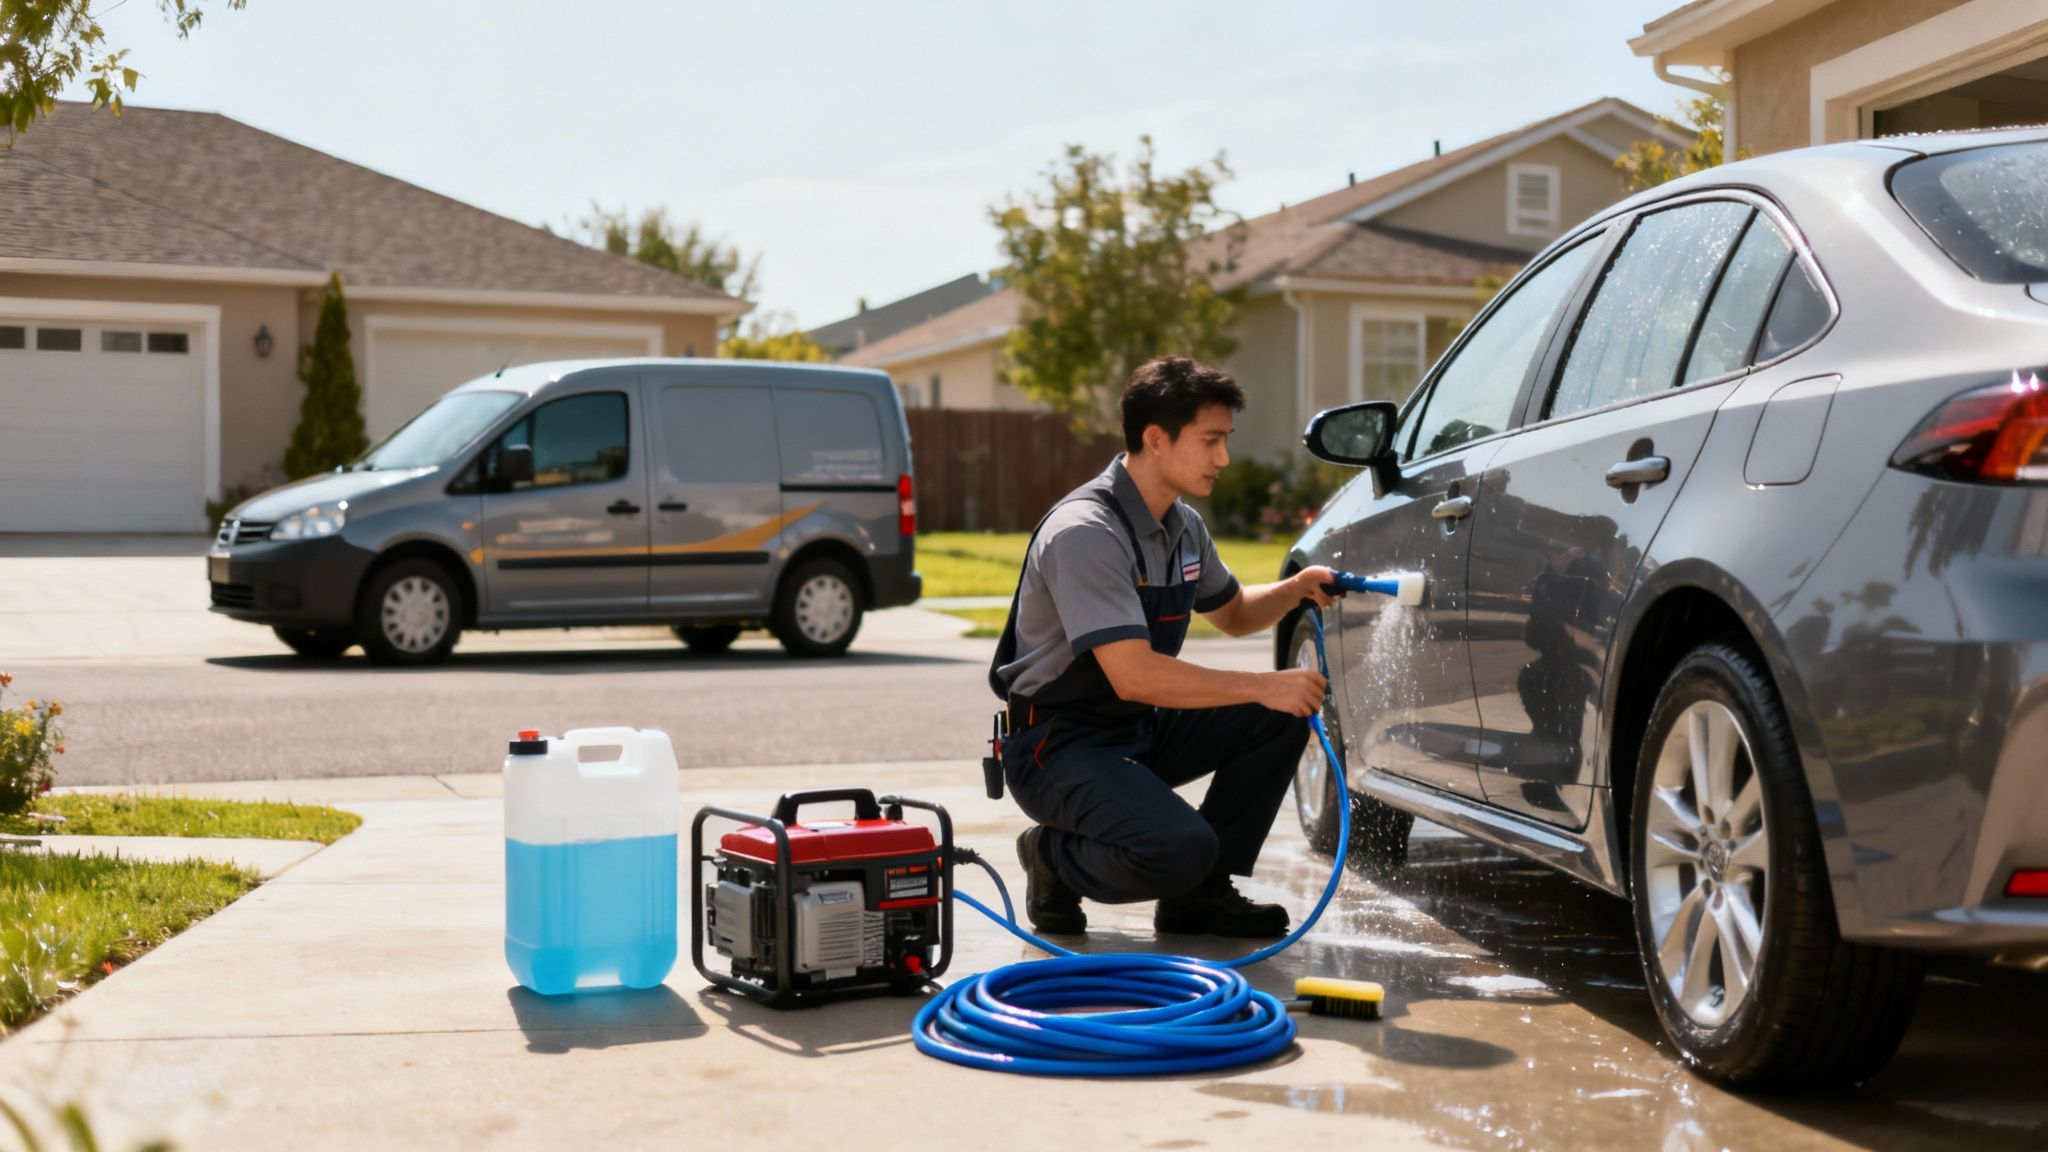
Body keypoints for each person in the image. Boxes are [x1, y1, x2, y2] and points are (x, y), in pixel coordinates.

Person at [989, 356, 1341, 938]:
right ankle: (1052, 857)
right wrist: (1262, 683)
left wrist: (1294, 590)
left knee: (1279, 713)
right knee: (1178, 849)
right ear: (1156, 438)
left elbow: (1231, 613)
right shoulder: (1085, 532)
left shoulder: (1182, 526)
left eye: (1225, 440)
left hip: (1137, 728)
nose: (1223, 459)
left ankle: (1199, 897)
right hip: (1057, 744)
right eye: (1211, 441)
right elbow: (1134, 675)